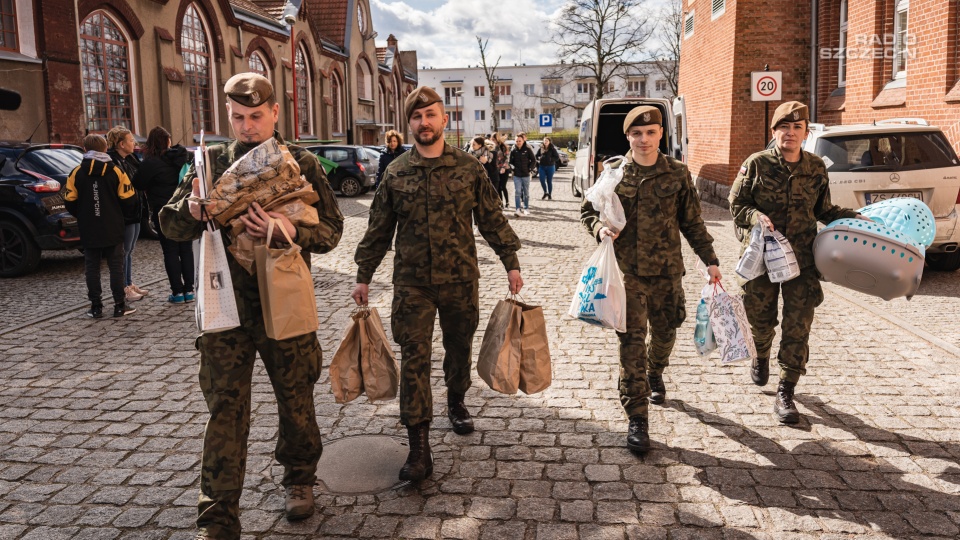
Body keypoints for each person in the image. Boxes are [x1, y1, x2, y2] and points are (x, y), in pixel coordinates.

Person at [159, 73, 344, 539]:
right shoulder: (207, 163)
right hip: (225, 307)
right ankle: (218, 514)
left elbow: (331, 233)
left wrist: (286, 229)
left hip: (282, 299)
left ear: (275, 112)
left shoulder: (299, 162)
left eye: (256, 116)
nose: (247, 126)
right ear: (227, 115)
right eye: (238, 117)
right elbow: (168, 225)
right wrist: (193, 211)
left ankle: (299, 478)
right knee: (224, 407)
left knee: (296, 397)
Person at [351, 86, 523, 482]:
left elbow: (491, 219)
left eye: (431, 114)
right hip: (413, 284)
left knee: (458, 348)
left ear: (444, 119)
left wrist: (510, 262)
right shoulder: (396, 173)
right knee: (414, 358)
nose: (424, 122)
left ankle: (457, 400)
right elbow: (378, 230)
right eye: (416, 117)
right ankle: (419, 448)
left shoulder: (468, 168)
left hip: (461, 279)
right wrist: (364, 274)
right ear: (408, 124)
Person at [581, 106, 721, 454]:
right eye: (636, 134)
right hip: (626, 275)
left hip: (667, 274)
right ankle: (637, 417)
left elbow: (692, 223)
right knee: (630, 344)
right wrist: (598, 228)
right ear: (628, 137)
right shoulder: (614, 173)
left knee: (666, 333)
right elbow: (588, 209)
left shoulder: (677, 174)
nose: (643, 139)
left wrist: (711, 260)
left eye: (651, 132)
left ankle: (656, 369)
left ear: (661, 134)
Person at [730, 101, 866, 425]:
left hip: (802, 261)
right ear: (774, 131)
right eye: (784, 127)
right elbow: (737, 204)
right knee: (760, 321)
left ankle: (785, 390)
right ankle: (761, 354)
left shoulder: (816, 167)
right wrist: (755, 215)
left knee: (798, 326)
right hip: (761, 259)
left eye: (797, 128)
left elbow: (824, 210)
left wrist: (856, 218)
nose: (790, 133)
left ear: (805, 133)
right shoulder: (757, 164)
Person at [64, 134, 139, 319]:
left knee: (92, 267)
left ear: (84, 150)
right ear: (106, 149)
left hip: (89, 226)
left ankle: (96, 307)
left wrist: (83, 214)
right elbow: (130, 199)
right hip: (112, 225)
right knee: (116, 267)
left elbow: (69, 201)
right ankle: (119, 306)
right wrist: (118, 213)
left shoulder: (76, 172)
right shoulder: (115, 171)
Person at [133, 126, 195, 303]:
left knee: (170, 250)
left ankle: (177, 292)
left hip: (164, 211)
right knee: (186, 249)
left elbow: (137, 182)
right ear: (168, 141)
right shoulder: (184, 158)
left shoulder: (151, 163)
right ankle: (189, 290)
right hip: (184, 209)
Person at [106, 125, 148, 303]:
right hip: (125, 214)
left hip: (135, 211)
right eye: (131, 140)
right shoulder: (113, 162)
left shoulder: (129, 159)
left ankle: (129, 283)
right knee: (124, 252)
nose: (134, 143)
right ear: (121, 144)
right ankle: (124, 287)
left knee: (129, 251)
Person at [509, 132, 536, 216]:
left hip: (526, 175)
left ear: (523, 141)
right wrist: (513, 168)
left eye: (519, 141)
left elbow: (534, 160)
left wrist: (529, 169)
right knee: (517, 192)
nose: (518, 142)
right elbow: (510, 162)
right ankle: (517, 209)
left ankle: (526, 208)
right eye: (516, 141)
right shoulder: (513, 150)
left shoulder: (528, 149)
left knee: (526, 192)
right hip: (517, 175)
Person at [495, 133, 511, 207]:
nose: (492, 141)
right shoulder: (491, 147)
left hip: (504, 169)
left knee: (503, 186)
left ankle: (507, 202)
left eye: (493, 139)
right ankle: (500, 202)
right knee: (498, 187)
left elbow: (507, 158)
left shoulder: (503, 147)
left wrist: (503, 167)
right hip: (496, 169)